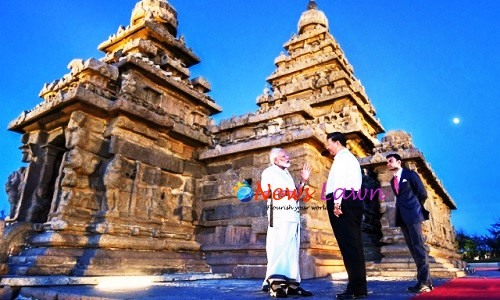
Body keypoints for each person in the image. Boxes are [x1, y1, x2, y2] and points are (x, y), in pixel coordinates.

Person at [261, 148, 313, 298]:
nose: (288, 157)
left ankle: (292, 285)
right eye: (284, 155)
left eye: (287, 155)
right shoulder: (269, 172)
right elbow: (266, 192)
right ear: (276, 160)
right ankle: (275, 285)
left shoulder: (287, 175)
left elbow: (296, 195)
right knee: (278, 248)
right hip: (278, 216)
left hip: (292, 217)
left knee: (291, 251)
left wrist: (303, 181)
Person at [324, 132, 367, 299]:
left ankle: (355, 288)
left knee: (349, 246)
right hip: (352, 201)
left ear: (337, 142)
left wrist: (336, 203)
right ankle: (358, 287)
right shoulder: (350, 158)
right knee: (354, 245)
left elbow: (340, 182)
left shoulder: (342, 158)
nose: (327, 147)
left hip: (344, 202)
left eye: (329, 143)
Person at [386, 153, 433, 294]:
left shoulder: (410, 175)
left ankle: (425, 282)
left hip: (413, 215)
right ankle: (423, 281)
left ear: (399, 162)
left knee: (419, 247)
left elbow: (422, 193)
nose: (388, 163)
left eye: (390, 161)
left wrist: (415, 207)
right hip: (402, 217)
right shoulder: (391, 180)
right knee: (413, 249)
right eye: (387, 162)